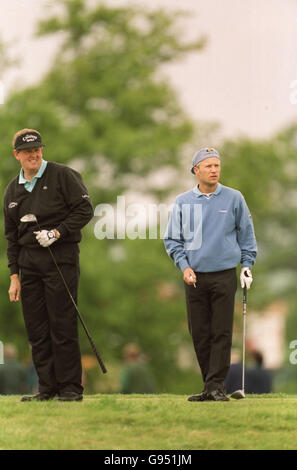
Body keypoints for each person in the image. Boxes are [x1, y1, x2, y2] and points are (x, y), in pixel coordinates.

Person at [4, 128, 93, 402]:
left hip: (60, 259)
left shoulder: (62, 175)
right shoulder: (12, 190)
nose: (34, 154)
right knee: (37, 327)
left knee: (62, 323)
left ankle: (70, 388)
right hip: (29, 265)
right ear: (17, 155)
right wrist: (14, 275)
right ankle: (47, 388)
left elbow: (85, 210)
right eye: (28, 151)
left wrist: (57, 233)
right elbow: (11, 236)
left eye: (37, 149)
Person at [164, 147, 257, 402]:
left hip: (224, 274)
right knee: (200, 333)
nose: (214, 170)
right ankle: (210, 387)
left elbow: (246, 235)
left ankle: (216, 385)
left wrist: (247, 265)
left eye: (217, 165)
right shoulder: (183, 201)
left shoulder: (233, 198)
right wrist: (184, 267)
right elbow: (172, 239)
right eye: (208, 166)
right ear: (196, 170)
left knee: (221, 331)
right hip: (194, 277)